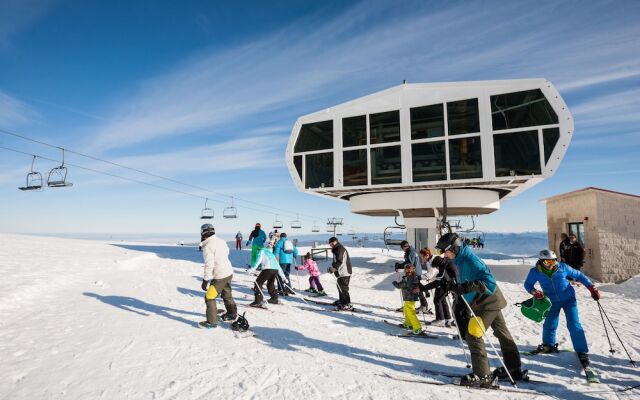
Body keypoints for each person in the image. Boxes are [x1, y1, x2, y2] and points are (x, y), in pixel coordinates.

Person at [436, 232, 524, 387]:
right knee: (502, 333)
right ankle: (513, 368)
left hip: (486, 301)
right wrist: (451, 285)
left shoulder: (471, 261)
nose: (445, 255)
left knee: (473, 334)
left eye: (446, 251)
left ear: (455, 248)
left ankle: (482, 375)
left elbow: (489, 283)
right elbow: (462, 278)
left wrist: (465, 287)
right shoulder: (458, 259)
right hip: (485, 301)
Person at [523, 249, 600, 367]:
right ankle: (549, 345)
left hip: (569, 299)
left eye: (553, 261)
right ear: (542, 261)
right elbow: (527, 284)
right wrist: (534, 291)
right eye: (548, 262)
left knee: (574, 324)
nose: (551, 265)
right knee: (550, 323)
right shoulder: (535, 272)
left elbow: (579, 275)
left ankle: (581, 351)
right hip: (551, 301)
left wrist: (591, 288)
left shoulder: (562, 267)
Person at [198, 224, 237, 329]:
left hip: (220, 275)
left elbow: (209, 264)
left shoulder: (208, 246)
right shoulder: (221, 241)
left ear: (203, 233)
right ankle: (232, 314)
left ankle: (212, 322)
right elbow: (227, 252)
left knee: (209, 297)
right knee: (227, 294)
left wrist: (205, 280)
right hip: (228, 272)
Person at [394, 241, 429, 313]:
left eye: (402, 248)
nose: (402, 250)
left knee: (410, 289)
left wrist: (399, 265)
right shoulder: (410, 251)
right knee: (416, 288)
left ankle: (420, 306)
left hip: (414, 273)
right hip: (414, 272)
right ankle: (424, 305)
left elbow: (409, 263)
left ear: (404, 247)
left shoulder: (411, 252)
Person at [422, 255, 456, 327]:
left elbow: (438, 281)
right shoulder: (445, 262)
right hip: (448, 284)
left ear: (438, 264)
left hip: (445, 285)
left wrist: (424, 288)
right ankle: (447, 318)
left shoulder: (443, 266)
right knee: (442, 300)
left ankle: (440, 319)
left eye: (437, 267)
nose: (437, 268)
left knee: (437, 300)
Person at [392, 264, 424, 335]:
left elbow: (400, 285)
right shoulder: (414, 277)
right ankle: (408, 323)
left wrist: (395, 283)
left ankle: (417, 328)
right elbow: (420, 285)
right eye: (407, 270)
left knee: (410, 312)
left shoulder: (407, 278)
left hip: (409, 297)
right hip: (411, 297)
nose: (407, 271)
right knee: (406, 309)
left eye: (408, 270)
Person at [327, 236, 353, 311]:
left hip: (344, 272)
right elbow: (336, 261)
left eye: (331, 243)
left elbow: (339, 260)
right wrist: (333, 268)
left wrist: (334, 268)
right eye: (330, 243)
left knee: (343, 289)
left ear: (335, 242)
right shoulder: (336, 249)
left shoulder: (339, 249)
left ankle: (347, 304)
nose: (330, 245)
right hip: (341, 272)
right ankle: (342, 301)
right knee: (340, 287)